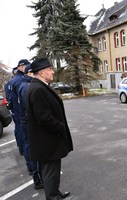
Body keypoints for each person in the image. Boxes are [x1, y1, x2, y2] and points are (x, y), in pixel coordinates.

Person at [26, 58, 73, 199]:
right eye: (49, 69)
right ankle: (53, 197)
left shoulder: (39, 86)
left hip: (47, 140)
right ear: (41, 73)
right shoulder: (38, 89)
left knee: (52, 170)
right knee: (50, 171)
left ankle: (55, 193)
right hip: (47, 140)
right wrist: (60, 127)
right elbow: (44, 118)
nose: (52, 71)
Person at [18, 64, 43, 189]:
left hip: (25, 122)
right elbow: (30, 108)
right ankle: (38, 177)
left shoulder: (23, 85)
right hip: (28, 123)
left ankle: (37, 175)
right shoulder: (27, 87)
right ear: (29, 73)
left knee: (30, 147)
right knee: (34, 151)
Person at [9, 59, 30, 155]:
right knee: (27, 140)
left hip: (17, 111)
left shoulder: (13, 80)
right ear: (21, 67)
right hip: (21, 112)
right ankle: (32, 166)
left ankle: (22, 149)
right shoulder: (20, 80)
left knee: (20, 132)